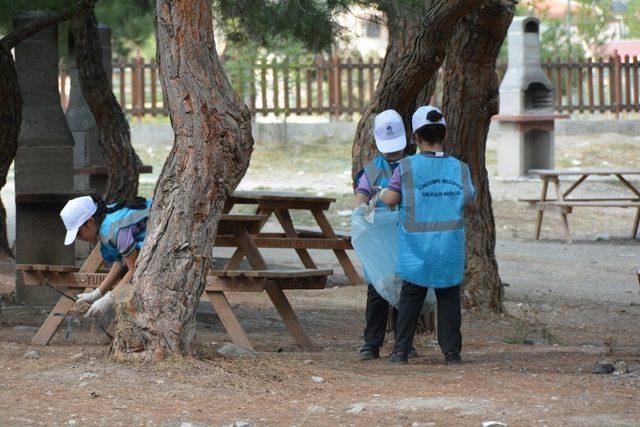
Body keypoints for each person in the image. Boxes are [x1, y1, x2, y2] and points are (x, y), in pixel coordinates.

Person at [379, 105, 476, 365]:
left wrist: (379, 193)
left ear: (416, 137)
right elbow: (468, 198)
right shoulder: (460, 168)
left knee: (411, 297)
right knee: (448, 298)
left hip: (416, 247)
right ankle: (452, 352)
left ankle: (401, 351)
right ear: (443, 135)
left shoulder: (406, 167)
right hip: (449, 247)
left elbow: (391, 198)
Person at [353, 109, 407, 361]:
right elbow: (362, 194)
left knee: (406, 289)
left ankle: (402, 341)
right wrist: (361, 207)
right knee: (378, 288)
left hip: (406, 236)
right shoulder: (373, 169)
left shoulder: (412, 166)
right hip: (381, 239)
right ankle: (371, 343)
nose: (393, 154)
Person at [60, 194, 151, 317]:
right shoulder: (107, 216)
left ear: (91, 222)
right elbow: (121, 261)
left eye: (78, 233)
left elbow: (134, 270)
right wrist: (97, 293)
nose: (78, 238)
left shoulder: (114, 230)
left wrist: (109, 299)